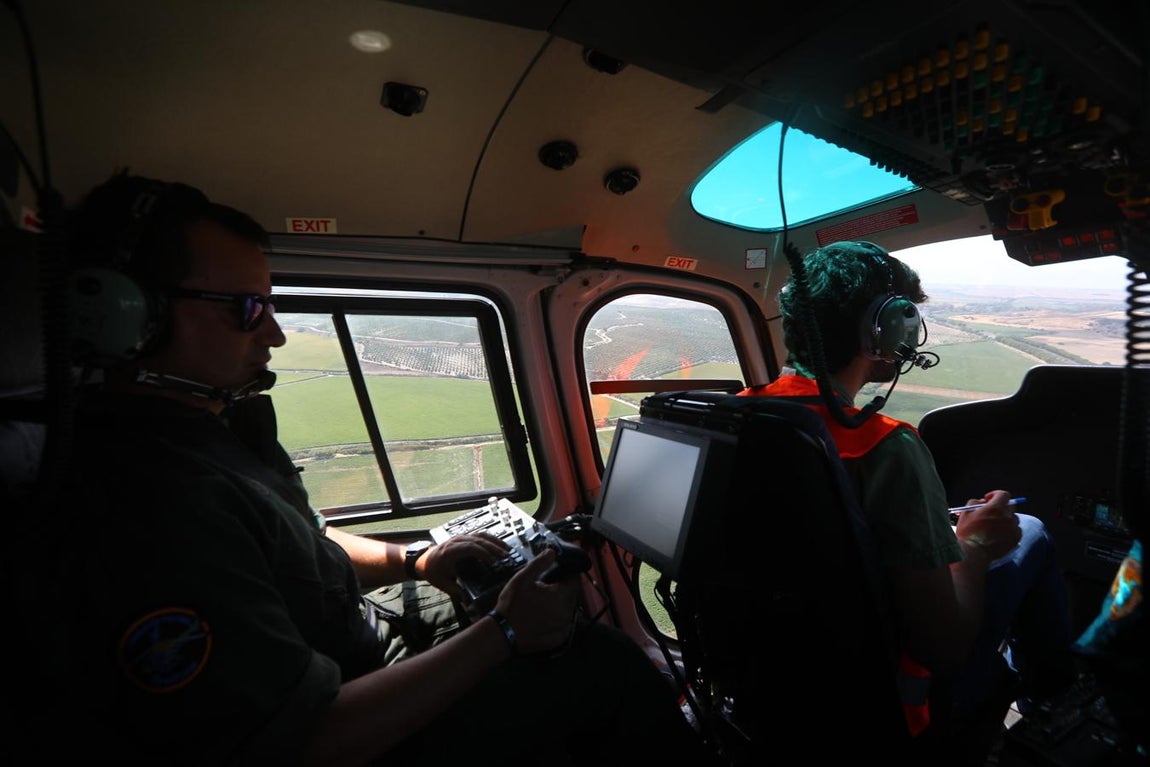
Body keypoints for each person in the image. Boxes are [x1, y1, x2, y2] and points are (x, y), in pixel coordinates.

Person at [12, 171, 713, 765]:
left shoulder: (209, 429)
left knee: (521, 601)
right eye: (247, 309)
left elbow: (304, 541)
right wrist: (502, 633)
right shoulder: (151, 507)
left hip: (354, 634)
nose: (275, 334)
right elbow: (302, 742)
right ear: (131, 316)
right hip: (352, 718)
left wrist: (417, 559)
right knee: (607, 668)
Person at [740, 240, 1077, 752]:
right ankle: (1059, 706)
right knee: (1029, 532)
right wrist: (976, 545)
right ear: (884, 328)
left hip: (776, 687)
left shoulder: (740, 415)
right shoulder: (884, 446)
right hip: (886, 707)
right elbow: (943, 645)